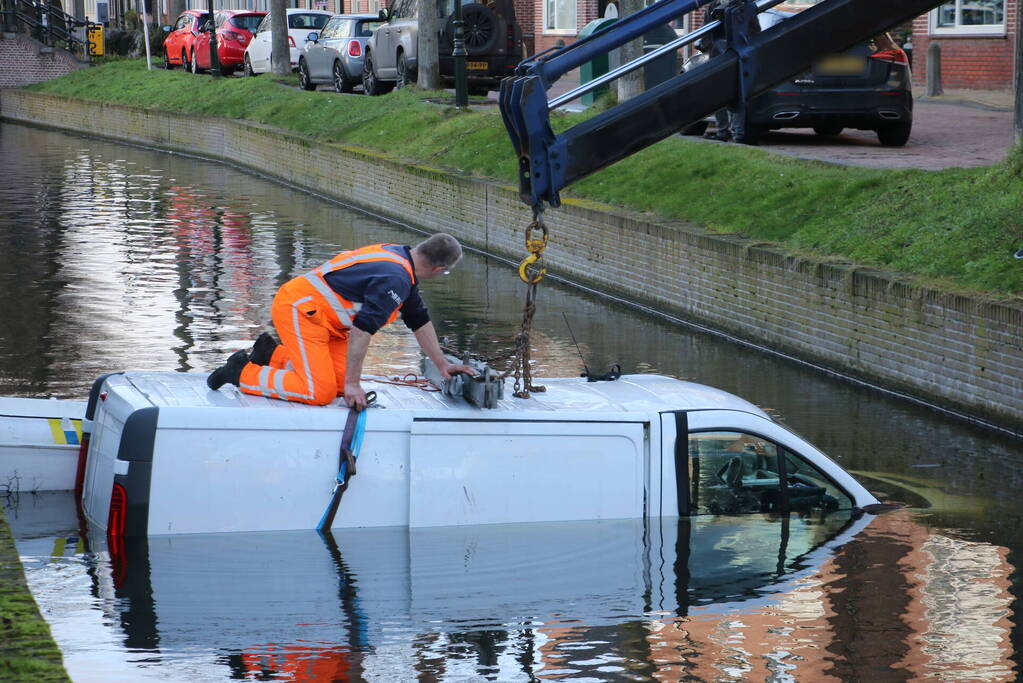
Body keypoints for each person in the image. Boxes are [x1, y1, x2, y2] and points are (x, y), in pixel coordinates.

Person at [207, 233, 476, 409]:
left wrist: (443, 365)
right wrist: (354, 384)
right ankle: (241, 371)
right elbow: (362, 331)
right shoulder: (396, 278)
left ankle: (272, 354)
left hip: (324, 320)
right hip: (301, 311)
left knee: (337, 385)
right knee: (319, 392)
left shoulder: (399, 260)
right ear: (440, 269)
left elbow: (419, 320)